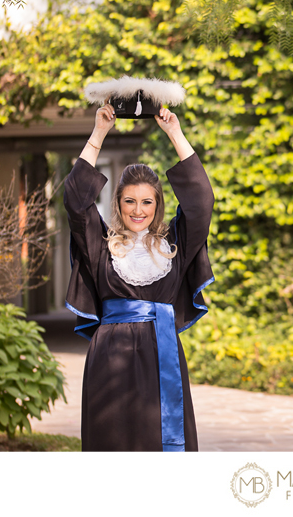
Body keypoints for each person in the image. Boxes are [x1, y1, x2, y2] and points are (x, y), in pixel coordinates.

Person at [63, 102, 214, 451]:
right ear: (117, 203)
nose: (138, 210)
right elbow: (74, 200)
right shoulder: (100, 245)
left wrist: (175, 133)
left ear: (157, 205)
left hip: (162, 350)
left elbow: (201, 201)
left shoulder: (173, 245)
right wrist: (99, 132)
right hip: (109, 356)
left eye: (147, 202)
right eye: (130, 201)